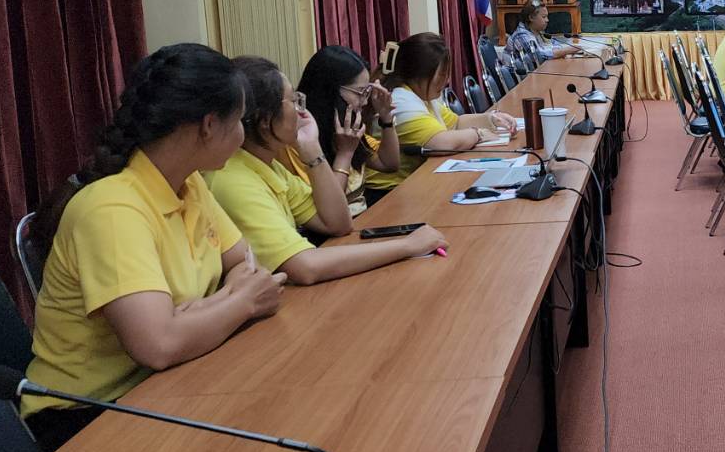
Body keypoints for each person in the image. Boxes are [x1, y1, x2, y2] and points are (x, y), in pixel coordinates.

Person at [22, 44, 285, 450]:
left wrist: (208, 308)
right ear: (208, 126)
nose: (242, 135)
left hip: (168, 383)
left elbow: (243, 261)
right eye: (238, 122)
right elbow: (157, 346)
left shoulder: (189, 182)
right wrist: (243, 302)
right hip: (86, 414)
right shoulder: (111, 209)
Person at [205, 57, 448, 287]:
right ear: (265, 120)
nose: (301, 111)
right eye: (293, 101)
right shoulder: (233, 179)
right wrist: (407, 246)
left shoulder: (267, 164)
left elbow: (338, 223)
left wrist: (313, 151)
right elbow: (305, 267)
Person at [364, 33, 517, 196]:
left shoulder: (419, 94)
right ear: (420, 74)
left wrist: (491, 119)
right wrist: (478, 134)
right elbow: (441, 144)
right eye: (442, 75)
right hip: (388, 193)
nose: (447, 80)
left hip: (412, 184)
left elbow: (456, 123)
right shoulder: (399, 100)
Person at [294, 45, 401, 215]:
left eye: (367, 92)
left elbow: (389, 164)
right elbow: (332, 209)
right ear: (329, 91)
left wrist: (386, 118)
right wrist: (345, 154)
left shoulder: (346, 130)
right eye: (359, 92)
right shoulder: (302, 141)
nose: (364, 102)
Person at [507, 0, 581, 66]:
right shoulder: (522, 35)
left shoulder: (538, 31)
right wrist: (566, 51)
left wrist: (564, 52)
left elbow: (552, 45)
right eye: (544, 17)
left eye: (547, 17)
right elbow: (538, 56)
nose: (547, 20)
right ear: (531, 18)